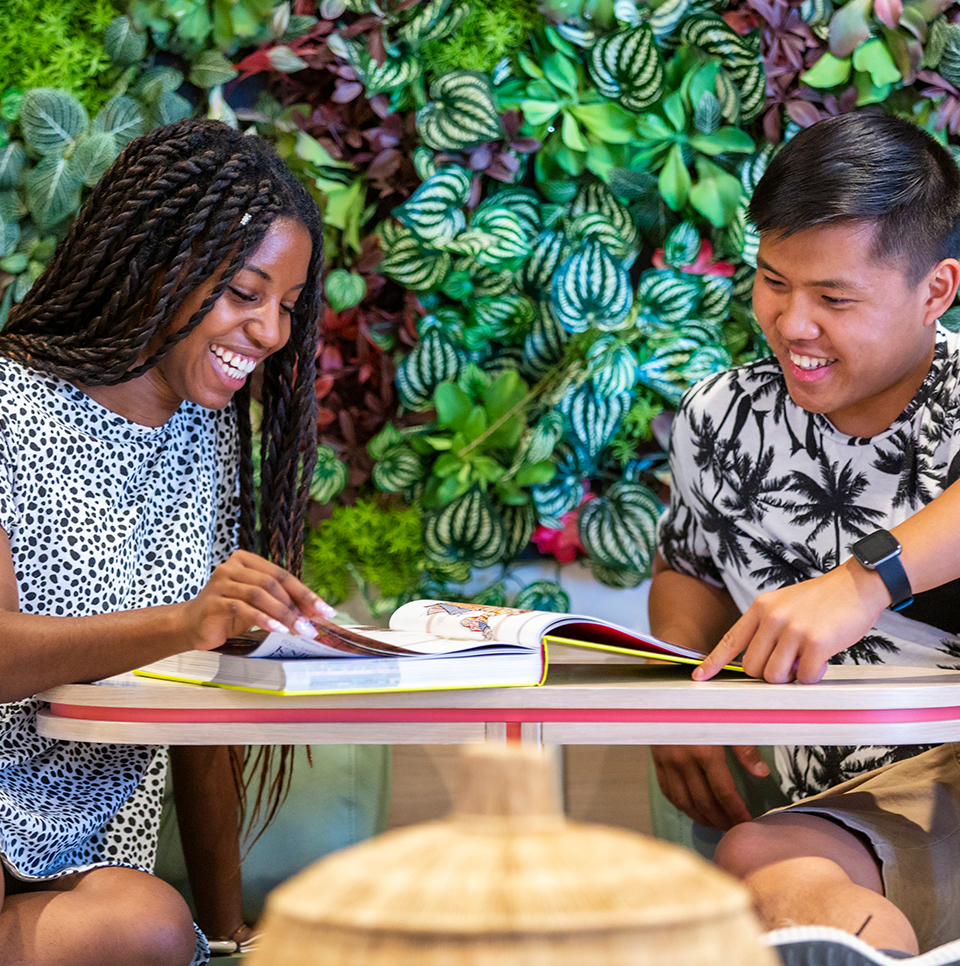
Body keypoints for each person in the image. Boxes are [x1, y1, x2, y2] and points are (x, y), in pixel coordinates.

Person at [0, 118, 336, 966]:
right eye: (245, 292)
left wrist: (227, 937)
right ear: (157, 261)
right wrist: (187, 622)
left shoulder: (204, 435)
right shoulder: (8, 403)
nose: (270, 333)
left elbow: (199, 707)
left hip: (80, 858)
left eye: (288, 306)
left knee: (148, 927)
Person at [649, 109, 960, 960]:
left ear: (937, 289)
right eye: (774, 281)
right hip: (827, 810)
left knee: (761, 857)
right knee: (759, 856)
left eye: (834, 297)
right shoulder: (722, 413)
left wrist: (861, 584)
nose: (791, 324)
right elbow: (689, 572)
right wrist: (681, 698)